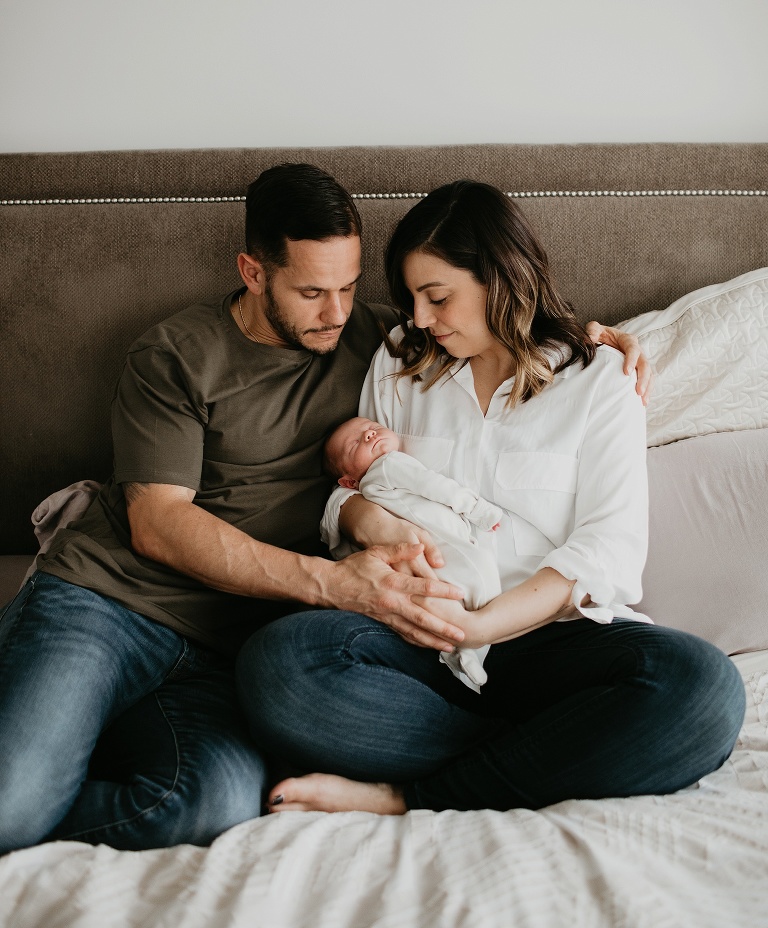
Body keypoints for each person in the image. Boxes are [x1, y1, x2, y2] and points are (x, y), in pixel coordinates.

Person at [0, 164, 647, 854]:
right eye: (311, 292)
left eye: (350, 287)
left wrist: (600, 340)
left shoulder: (386, 342)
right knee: (14, 806)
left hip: (230, 645)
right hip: (111, 605)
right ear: (253, 272)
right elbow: (157, 524)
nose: (336, 313)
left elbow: (498, 327)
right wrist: (335, 582)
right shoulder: (177, 354)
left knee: (202, 809)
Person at [236, 180, 746, 818]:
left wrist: (481, 627)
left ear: (501, 277)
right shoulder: (399, 362)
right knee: (280, 665)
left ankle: (409, 794)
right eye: (412, 299)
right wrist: (367, 520)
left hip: (549, 641)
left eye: (438, 296)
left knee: (702, 688)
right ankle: (549, 752)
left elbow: (609, 548)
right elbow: (349, 497)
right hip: (417, 642)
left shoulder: (598, 380)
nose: (422, 318)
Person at [324, 415, 503, 688]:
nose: (369, 435)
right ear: (348, 482)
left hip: (423, 553)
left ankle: (461, 651)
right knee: (482, 574)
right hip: (439, 544)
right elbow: (434, 485)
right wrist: (478, 509)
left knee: (447, 600)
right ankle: (467, 649)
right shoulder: (387, 465)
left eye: (373, 428)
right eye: (354, 444)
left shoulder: (371, 491)